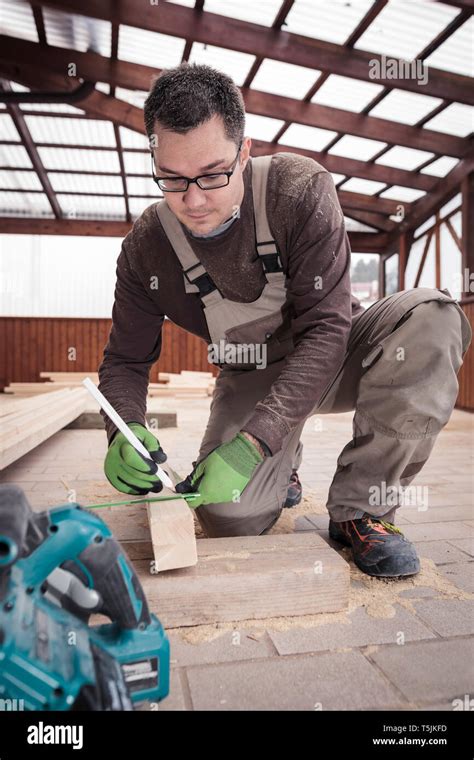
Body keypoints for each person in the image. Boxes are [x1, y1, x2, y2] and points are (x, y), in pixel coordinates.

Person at [98, 63, 472, 578]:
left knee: (432, 317)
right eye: (172, 179)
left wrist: (255, 442)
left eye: (212, 174)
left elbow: (329, 329)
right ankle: (282, 465)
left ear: (244, 151)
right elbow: (124, 360)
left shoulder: (297, 190)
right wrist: (124, 428)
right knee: (230, 516)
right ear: (155, 158)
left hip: (338, 354)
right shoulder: (146, 249)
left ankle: (362, 511)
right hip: (251, 371)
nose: (194, 199)